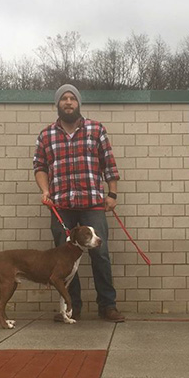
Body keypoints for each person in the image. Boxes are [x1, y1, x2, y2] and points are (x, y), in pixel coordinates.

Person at [33, 84, 125, 322]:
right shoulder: (46, 135)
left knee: (101, 254)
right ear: (58, 104)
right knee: (63, 261)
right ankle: (73, 307)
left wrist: (112, 195)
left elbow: (109, 165)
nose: (68, 102)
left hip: (92, 204)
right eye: (64, 98)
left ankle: (107, 305)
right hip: (61, 206)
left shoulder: (96, 129)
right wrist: (45, 191)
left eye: (72, 98)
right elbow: (40, 167)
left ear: (78, 103)